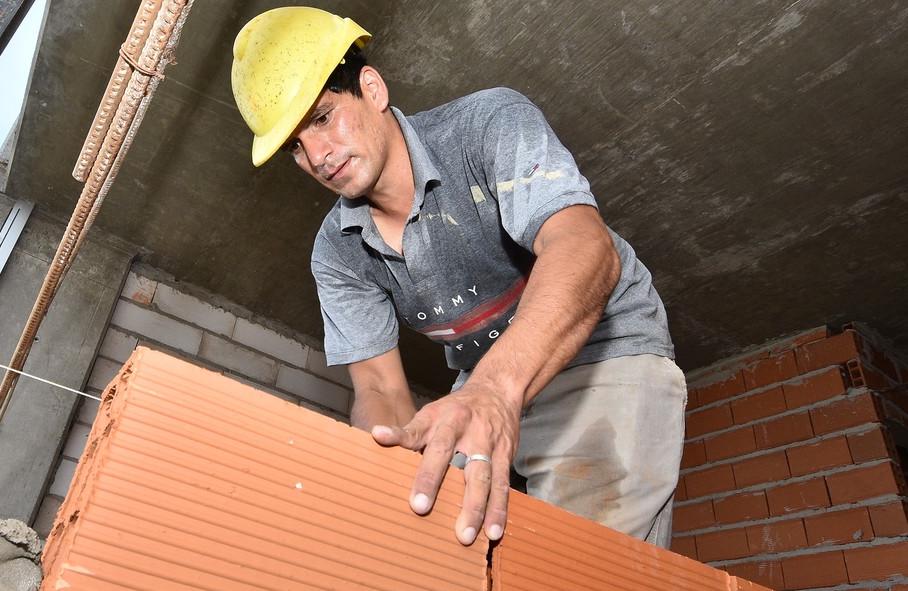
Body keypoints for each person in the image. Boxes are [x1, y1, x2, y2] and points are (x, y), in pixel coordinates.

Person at [230, 7, 685, 548]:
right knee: (439, 541)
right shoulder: (337, 252)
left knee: (580, 572)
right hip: (482, 379)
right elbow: (379, 388)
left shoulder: (486, 125)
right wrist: (386, 486)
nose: (317, 156)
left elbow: (585, 247)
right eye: (295, 146)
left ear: (372, 89)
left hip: (599, 350)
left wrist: (495, 390)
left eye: (323, 118)